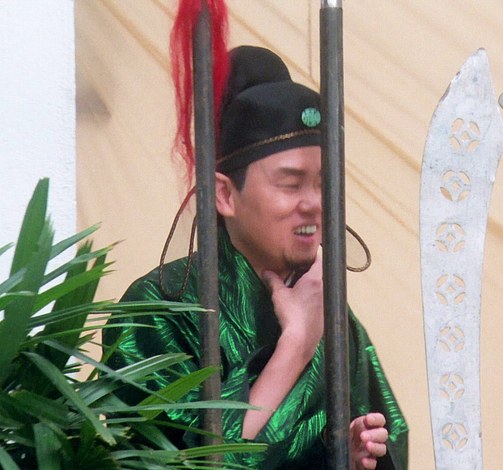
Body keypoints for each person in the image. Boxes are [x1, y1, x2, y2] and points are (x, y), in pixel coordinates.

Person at [104, 45, 408, 469]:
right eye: (291, 184)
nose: (313, 203)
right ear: (225, 194)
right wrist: (296, 346)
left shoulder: (328, 309)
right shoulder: (157, 311)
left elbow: (391, 436)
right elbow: (204, 462)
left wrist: (351, 455)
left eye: (323, 183)